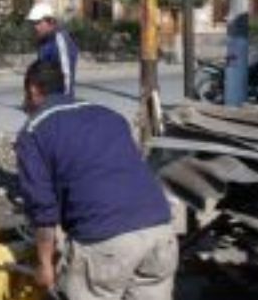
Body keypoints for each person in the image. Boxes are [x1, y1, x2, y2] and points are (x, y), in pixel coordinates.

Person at [15, 61, 177, 299]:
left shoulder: (34, 131)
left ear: (33, 90)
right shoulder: (108, 114)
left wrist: (45, 264)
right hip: (159, 231)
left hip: (106, 241)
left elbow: (42, 210)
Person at [27, 3, 78, 98]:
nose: (35, 27)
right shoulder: (43, 40)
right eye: (33, 23)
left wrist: (65, 101)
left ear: (50, 21)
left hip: (60, 99)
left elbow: (66, 75)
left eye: (38, 22)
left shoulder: (61, 40)